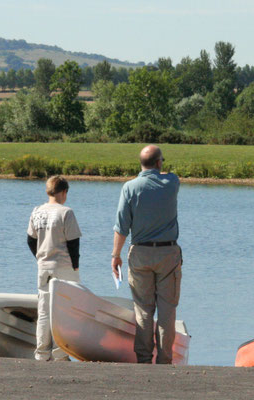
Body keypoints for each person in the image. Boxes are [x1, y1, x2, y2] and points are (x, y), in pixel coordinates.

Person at [111, 145, 181, 364]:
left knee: (143, 308)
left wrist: (116, 255)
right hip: (168, 253)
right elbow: (166, 173)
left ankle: (143, 358)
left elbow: (122, 226)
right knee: (167, 309)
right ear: (159, 162)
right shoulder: (172, 182)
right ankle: (164, 359)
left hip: (140, 252)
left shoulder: (129, 188)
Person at [27, 175, 81, 361]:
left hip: (43, 266)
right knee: (63, 311)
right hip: (63, 265)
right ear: (64, 192)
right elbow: (73, 244)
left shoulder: (37, 211)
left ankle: (41, 352)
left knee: (43, 309)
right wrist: (75, 267)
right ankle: (60, 353)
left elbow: (30, 240)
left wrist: (40, 257)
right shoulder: (66, 212)